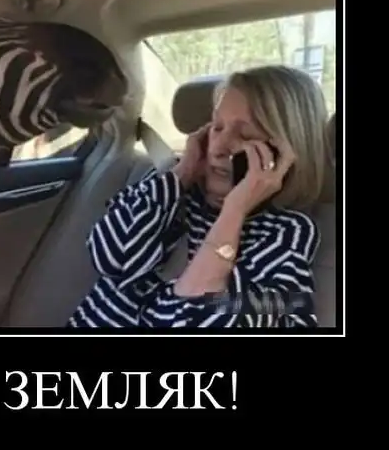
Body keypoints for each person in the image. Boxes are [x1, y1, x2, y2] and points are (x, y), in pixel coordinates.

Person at [68, 65, 331, 328]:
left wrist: (233, 212)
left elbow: (197, 322)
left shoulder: (287, 233)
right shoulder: (167, 187)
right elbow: (109, 256)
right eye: (217, 127)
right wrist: (182, 172)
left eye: (246, 134)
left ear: (283, 154)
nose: (219, 147)